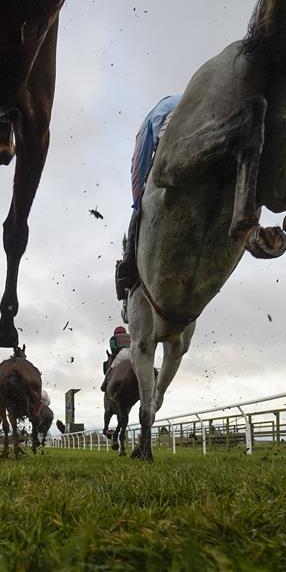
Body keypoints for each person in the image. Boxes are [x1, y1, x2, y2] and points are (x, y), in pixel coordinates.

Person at [115, 95, 182, 299]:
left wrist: (138, 199)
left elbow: (139, 166)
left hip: (171, 127)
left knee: (141, 201)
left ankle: (128, 264)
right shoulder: (193, 95)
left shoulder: (151, 119)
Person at [101, 326, 131, 392]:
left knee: (111, 369)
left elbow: (113, 349)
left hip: (122, 354)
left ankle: (105, 384)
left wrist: (113, 355)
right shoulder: (130, 336)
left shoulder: (113, 338)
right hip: (133, 354)